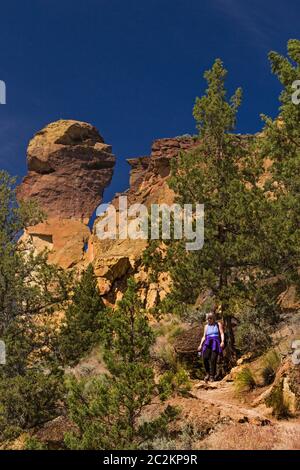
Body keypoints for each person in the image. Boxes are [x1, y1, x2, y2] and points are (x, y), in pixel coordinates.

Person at [197, 312, 225, 382]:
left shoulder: (218, 324)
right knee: (205, 357)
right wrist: (200, 345)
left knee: (213, 359)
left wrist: (222, 341)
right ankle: (207, 374)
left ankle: (212, 376)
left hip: (215, 343)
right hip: (208, 343)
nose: (209, 319)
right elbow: (204, 336)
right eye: (208, 318)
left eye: (211, 318)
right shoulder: (206, 326)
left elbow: (221, 333)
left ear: (213, 318)